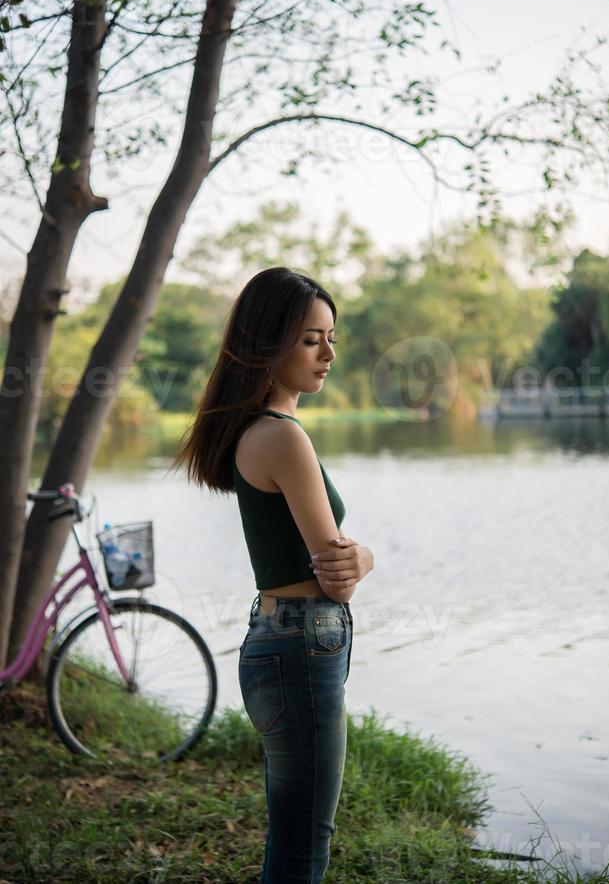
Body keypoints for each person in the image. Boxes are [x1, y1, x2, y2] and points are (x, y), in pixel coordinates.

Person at [176, 266, 374, 882]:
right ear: (271, 341)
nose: (329, 353)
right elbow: (337, 574)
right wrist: (366, 557)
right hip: (301, 644)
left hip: (279, 641)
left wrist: (351, 557)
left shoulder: (255, 429)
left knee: (293, 836)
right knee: (302, 848)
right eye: (312, 338)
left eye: (332, 336)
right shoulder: (282, 438)